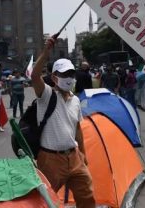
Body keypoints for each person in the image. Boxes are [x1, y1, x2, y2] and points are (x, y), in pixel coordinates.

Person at [31, 37, 95, 208]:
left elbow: (78, 129)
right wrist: (46, 52)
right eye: (64, 74)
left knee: (87, 196)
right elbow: (34, 76)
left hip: (74, 157)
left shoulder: (75, 100)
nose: (69, 78)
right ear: (54, 76)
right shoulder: (46, 95)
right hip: (50, 160)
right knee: (47, 202)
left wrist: (83, 154)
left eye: (71, 74)